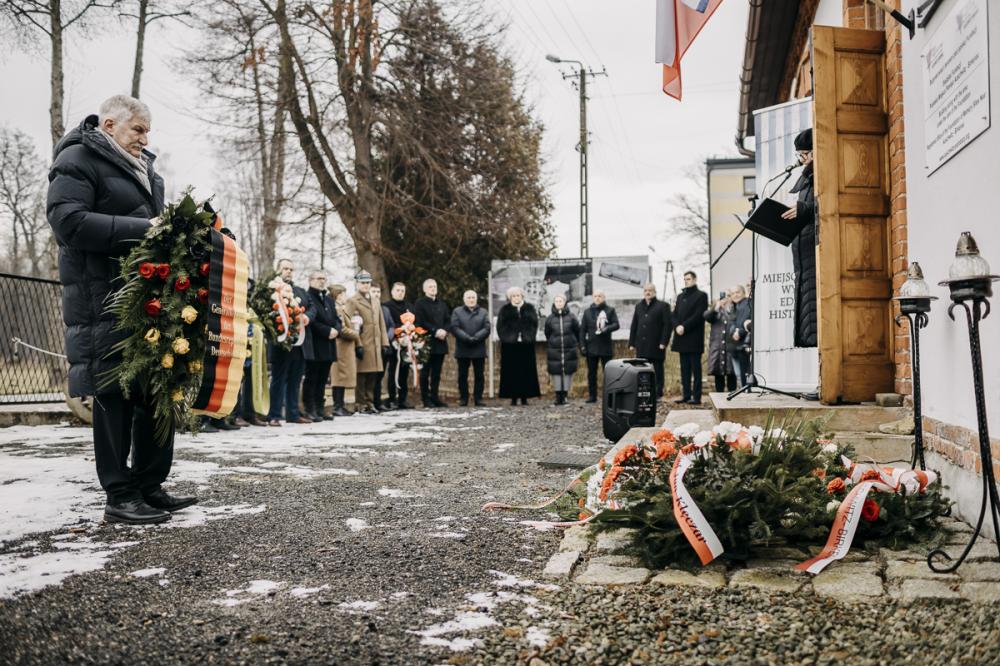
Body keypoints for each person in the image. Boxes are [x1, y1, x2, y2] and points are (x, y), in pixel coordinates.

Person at [47, 94, 195, 524]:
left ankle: (149, 485)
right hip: (102, 299)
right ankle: (120, 494)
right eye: (139, 130)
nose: (145, 139)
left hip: (146, 301)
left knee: (154, 389)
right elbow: (68, 222)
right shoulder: (77, 159)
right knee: (114, 394)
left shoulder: (146, 171)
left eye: (148, 131)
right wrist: (147, 229)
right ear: (110, 125)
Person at [781, 128, 818, 348]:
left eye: (805, 154)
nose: (802, 160)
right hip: (805, 261)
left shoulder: (824, 174)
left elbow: (832, 205)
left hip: (817, 259)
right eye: (800, 155)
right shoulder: (808, 178)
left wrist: (805, 209)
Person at [266, 259, 312, 425]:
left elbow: (312, 307)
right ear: (278, 269)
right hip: (280, 343)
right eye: (285, 268)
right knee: (278, 380)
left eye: (291, 269)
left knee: (295, 379)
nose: (289, 271)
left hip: (298, 344)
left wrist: (307, 316)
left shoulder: (300, 291)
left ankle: (293, 413)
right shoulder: (271, 290)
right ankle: (274, 415)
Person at [344, 271, 389, 414]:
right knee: (361, 376)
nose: (366, 285)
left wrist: (385, 343)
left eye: (368, 283)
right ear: (357, 284)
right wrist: (357, 344)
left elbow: (381, 323)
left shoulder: (375, 300)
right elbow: (348, 323)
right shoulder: (353, 301)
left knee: (373, 375)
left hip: (375, 344)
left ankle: (370, 402)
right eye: (363, 283)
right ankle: (360, 403)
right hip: (362, 343)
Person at [302, 271, 340, 421]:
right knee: (312, 378)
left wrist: (336, 329)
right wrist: (327, 331)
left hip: (329, 344)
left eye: (324, 279)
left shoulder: (328, 299)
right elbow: (312, 321)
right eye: (319, 278)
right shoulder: (308, 297)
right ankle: (310, 409)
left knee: (323, 379)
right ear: (310, 280)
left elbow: (336, 318)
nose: (322, 281)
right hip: (315, 343)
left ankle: (320, 408)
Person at [496, 286, 541, 406]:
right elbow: (500, 326)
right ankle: (513, 397)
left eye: (518, 295)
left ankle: (525, 397)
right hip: (510, 345)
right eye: (513, 296)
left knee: (526, 371)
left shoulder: (529, 308)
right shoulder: (505, 310)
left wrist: (529, 336)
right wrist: (507, 338)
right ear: (510, 297)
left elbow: (534, 324)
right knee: (512, 371)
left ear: (522, 296)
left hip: (526, 344)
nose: (516, 298)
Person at [628, 283, 672, 399]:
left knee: (657, 370)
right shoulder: (639, 306)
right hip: (641, 345)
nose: (647, 292)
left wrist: (664, 342)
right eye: (645, 290)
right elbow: (634, 325)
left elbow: (667, 326)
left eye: (650, 290)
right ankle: (645, 393)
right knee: (643, 371)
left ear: (655, 292)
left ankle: (658, 393)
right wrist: (632, 343)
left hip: (656, 345)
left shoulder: (663, 306)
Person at [672, 271, 709, 405]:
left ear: (694, 279)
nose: (686, 281)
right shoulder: (680, 296)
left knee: (696, 369)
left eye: (688, 279)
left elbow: (699, 315)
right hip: (681, 338)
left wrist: (684, 326)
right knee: (684, 369)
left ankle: (696, 397)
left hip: (693, 338)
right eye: (685, 279)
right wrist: (677, 326)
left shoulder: (701, 296)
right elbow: (674, 314)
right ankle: (686, 395)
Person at [413, 278, 450, 408]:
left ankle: (435, 397)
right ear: (424, 289)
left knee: (436, 373)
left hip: (440, 343)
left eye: (434, 286)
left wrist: (444, 330)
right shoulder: (420, 303)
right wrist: (435, 331)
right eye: (430, 287)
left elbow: (448, 320)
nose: (433, 289)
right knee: (425, 372)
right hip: (426, 342)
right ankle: (425, 398)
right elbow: (420, 321)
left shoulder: (442, 304)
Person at [450, 290, 490, 406]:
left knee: (479, 375)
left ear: (476, 299)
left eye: (473, 297)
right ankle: (463, 398)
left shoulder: (483, 312)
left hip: (479, 348)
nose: (471, 300)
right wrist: (467, 338)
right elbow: (455, 327)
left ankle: (478, 398)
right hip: (463, 347)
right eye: (468, 298)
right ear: (464, 299)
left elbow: (487, 328)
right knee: (462, 375)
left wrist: (476, 338)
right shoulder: (457, 311)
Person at [580, 290, 620, 404]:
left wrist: (607, 328)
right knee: (591, 374)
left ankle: (609, 396)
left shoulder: (610, 310)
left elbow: (616, 324)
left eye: (600, 296)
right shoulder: (587, 312)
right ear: (593, 298)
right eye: (595, 296)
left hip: (605, 347)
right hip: (591, 348)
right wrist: (582, 346)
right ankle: (592, 396)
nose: (597, 298)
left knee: (608, 374)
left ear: (604, 297)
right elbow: (582, 330)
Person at [544, 294, 581, 406]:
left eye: (561, 301)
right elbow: (547, 333)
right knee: (556, 373)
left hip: (569, 349)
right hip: (555, 350)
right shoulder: (550, 318)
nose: (559, 303)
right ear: (554, 303)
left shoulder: (572, 317)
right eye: (557, 301)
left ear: (564, 303)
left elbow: (577, 331)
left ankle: (565, 396)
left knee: (567, 372)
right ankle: (558, 396)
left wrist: (574, 343)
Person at [329, 284, 358, 416]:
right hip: (340, 347)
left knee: (342, 378)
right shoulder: (337, 309)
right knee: (339, 378)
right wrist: (356, 333)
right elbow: (342, 329)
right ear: (338, 295)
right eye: (344, 294)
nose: (346, 296)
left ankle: (340, 405)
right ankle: (337, 406)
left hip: (344, 348)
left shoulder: (341, 308)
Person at [384, 282, 414, 409]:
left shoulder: (409, 306)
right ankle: (392, 398)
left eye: (402, 291)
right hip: (393, 342)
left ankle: (403, 399)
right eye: (398, 290)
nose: (400, 293)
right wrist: (399, 331)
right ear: (392, 292)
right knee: (393, 371)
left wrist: (411, 331)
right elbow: (388, 324)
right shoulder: (386, 306)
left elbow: (414, 322)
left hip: (407, 342)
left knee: (404, 371)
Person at [704, 290, 737, 392]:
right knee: (719, 373)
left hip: (731, 346)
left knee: (732, 373)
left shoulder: (735, 309)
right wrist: (716, 307)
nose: (725, 299)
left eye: (728, 296)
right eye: (723, 296)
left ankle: (732, 395)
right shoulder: (716, 311)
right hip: (717, 347)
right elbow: (706, 316)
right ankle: (719, 396)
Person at [370, 284, 394, 412]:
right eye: (373, 291)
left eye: (378, 292)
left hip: (384, 347)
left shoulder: (385, 309)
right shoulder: (367, 308)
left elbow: (391, 325)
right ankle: (370, 402)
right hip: (372, 347)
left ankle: (378, 402)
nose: (376, 294)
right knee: (372, 376)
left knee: (380, 376)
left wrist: (387, 338)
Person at [726, 285, 753, 387]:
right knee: (739, 376)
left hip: (744, 344)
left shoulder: (748, 303)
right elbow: (731, 323)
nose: (735, 295)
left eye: (738, 292)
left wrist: (740, 332)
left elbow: (750, 320)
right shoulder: (733, 307)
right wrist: (733, 332)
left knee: (744, 375)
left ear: (743, 293)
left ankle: (746, 393)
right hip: (735, 346)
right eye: (733, 293)